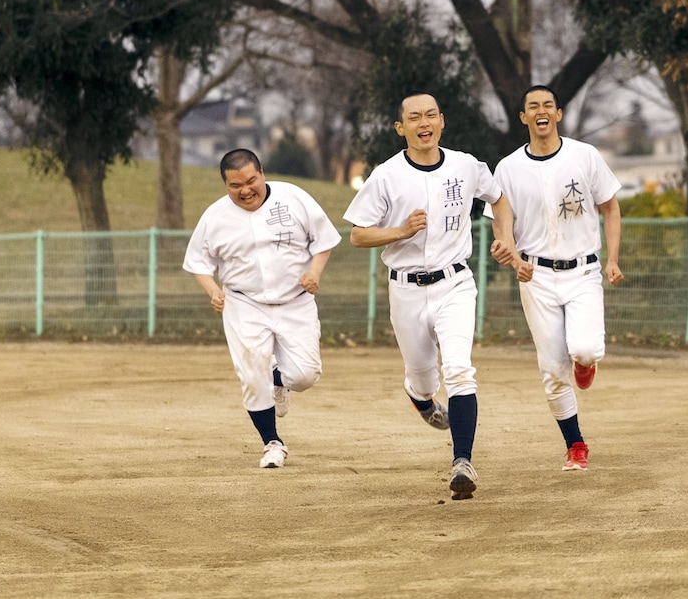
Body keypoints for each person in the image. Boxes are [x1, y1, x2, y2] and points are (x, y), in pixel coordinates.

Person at [343, 91, 517, 500]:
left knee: (459, 369)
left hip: (455, 282)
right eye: (414, 117)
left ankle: (463, 462)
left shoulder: (465, 165)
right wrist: (400, 231)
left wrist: (505, 236)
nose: (424, 123)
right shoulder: (386, 175)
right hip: (406, 288)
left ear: (442, 120)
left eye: (430, 115)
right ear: (400, 128)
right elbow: (357, 234)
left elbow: (499, 199)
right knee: (423, 378)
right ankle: (420, 397)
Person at [492, 85, 624, 472]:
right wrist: (511, 257)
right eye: (532, 106)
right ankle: (575, 444)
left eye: (548, 105)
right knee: (552, 369)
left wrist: (612, 259)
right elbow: (503, 226)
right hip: (535, 276)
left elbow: (611, 208)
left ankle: (585, 364)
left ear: (559, 114)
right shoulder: (508, 168)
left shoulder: (585, 156)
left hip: (583, 270)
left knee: (585, 349)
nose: (541, 111)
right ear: (524, 118)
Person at [183, 148, 341, 470]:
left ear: (262, 173)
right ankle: (272, 443)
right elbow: (198, 262)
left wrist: (314, 273)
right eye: (235, 185)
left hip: (295, 301)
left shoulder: (294, 198)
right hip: (244, 303)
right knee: (252, 376)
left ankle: (278, 380)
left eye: (250, 181)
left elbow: (323, 239)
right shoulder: (215, 217)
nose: (245, 190)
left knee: (306, 375)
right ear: (225, 185)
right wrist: (213, 290)